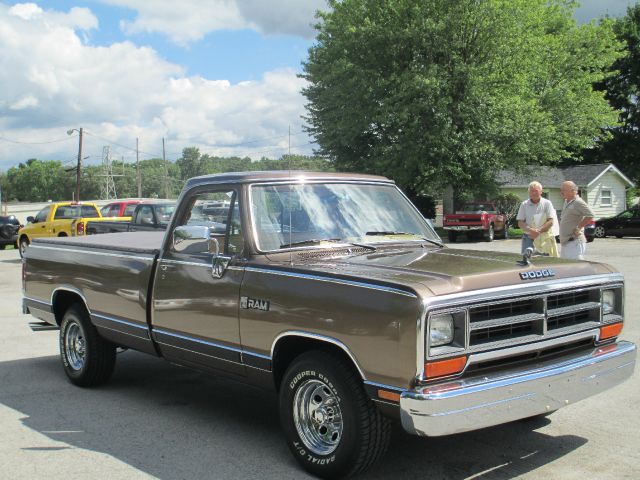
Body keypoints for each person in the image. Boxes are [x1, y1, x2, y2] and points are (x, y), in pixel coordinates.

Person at [516, 181, 556, 256]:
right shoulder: (524, 204)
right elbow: (520, 222)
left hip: (543, 237)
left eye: (536, 191)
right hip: (528, 237)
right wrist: (531, 230)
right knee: (527, 261)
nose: (534, 193)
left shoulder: (547, 203)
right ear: (529, 192)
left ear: (541, 192)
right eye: (532, 191)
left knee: (544, 262)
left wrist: (538, 231)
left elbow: (551, 221)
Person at [559, 181, 594, 260]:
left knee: (576, 269)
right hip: (566, 242)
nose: (561, 192)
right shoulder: (566, 202)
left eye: (564, 190)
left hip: (574, 241)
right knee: (565, 268)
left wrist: (579, 227)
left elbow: (590, 215)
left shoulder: (578, 202)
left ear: (572, 191)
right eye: (561, 190)